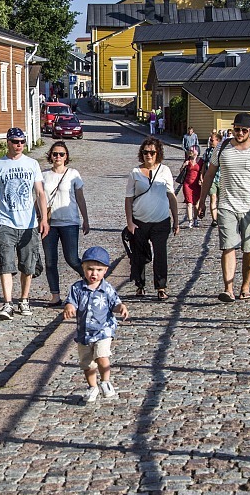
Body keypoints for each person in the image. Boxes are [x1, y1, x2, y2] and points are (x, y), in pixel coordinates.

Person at [197, 112, 250, 303]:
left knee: (249, 249)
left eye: (243, 130)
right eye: (236, 129)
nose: (239, 133)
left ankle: (245, 287)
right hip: (227, 205)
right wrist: (202, 201)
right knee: (228, 246)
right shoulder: (223, 147)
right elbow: (209, 175)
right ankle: (228, 289)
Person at [0, 127, 50, 320]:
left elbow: (39, 193)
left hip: (28, 223)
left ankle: (24, 299)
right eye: (15, 141)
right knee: (5, 263)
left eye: (22, 141)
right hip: (5, 222)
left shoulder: (32, 164)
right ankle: (7, 303)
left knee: (28, 265)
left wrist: (44, 219)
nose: (19, 145)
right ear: (8, 142)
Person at [63, 246, 129, 403]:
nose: (94, 273)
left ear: (105, 270)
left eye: (99, 270)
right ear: (83, 268)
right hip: (84, 333)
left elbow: (115, 303)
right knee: (87, 364)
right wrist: (69, 307)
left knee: (101, 356)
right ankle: (92, 387)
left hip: (103, 330)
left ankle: (106, 382)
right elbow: (71, 301)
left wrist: (121, 308)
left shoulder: (107, 289)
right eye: (90, 269)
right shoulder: (77, 288)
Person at [125, 137, 180, 300]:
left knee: (160, 253)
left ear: (158, 153)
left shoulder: (165, 171)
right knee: (139, 255)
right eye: (145, 152)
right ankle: (140, 285)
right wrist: (129, 222)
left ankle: (161, 287)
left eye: (152, 152)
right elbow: (128, 198)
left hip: (161, 221)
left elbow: (171, 196)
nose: (148, 155)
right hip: (139, 221)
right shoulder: (135, 172)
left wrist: (176, 220)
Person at [42, 141, 91, 306]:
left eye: (61, 154)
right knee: (50, 260)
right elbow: (38, 199)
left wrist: (85, 219)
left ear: (66, 156)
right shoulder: (43, 175)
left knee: (71, 258)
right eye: (55, 154)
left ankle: (90, 280)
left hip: (69, 222)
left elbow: (80, 198)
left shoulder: (73, 174)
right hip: (49, 223)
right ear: (50, 156)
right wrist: (39, 218)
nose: (58, 157)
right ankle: (55, 296)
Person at [202, 131, 221, 226]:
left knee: (221, 200)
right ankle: (215, 219)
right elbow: (204, 164)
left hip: (221, 178)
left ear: (218, 141)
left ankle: (221, 217)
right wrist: (201, 176)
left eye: (212, 140)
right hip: (211, 179)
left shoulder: (222, 151)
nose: (210, 141)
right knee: (213, 198)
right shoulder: (207, 151)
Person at [181, 149, 204, 227]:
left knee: (196, 203)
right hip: (187, 184)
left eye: (193, 151)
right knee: (189, 202)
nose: (192, 152)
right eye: (191, 151)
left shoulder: (201, 161)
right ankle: (190, 220)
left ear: (197, 152)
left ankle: (195, 219)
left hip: (196, 184)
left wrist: (202, 180)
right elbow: (181, 171)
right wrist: (184, 165)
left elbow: (202, 172)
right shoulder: (187, 160)